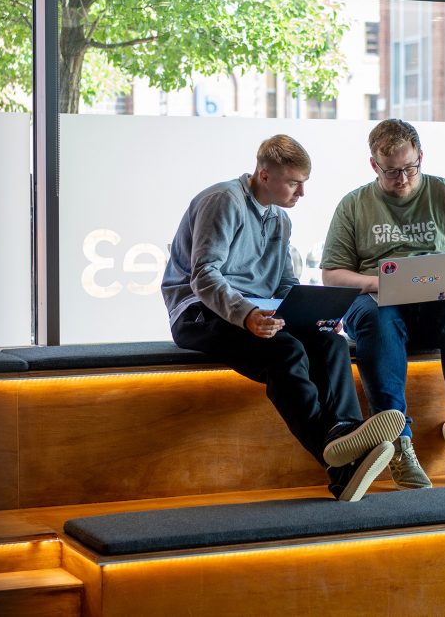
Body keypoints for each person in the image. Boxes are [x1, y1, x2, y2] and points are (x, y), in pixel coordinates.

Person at [161, 134, 405, 502]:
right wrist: (246, 316)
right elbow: (204, 276)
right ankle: (340, 455)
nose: (301, 194)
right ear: (263, 175)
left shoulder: (279, 220)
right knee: (286, 351)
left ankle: (345, 437)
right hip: (199, 311)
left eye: (304, 183)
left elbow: (284, 282)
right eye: (294, 183)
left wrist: (317, 313)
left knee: (330, 342)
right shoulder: (223, 201)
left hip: (258, 310)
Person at [320, 119, 445, 489]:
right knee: (376, 316)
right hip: (378, 300)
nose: (403, 178)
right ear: (374, 166)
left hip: (439, 301)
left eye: (410, 168)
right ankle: (397, 442)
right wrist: (378, 283)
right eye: (392, 171)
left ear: (421, 157)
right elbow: (333, 275)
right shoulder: (354, 205)